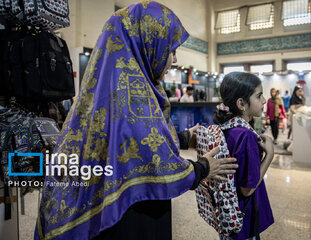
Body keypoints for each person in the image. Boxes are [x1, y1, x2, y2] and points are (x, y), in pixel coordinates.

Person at [34, 2, 237, 240]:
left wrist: (182, 138)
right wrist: (202, 169)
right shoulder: (131, 97)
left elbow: (137, 142)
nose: (173, 58)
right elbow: (153, 165)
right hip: (131, 215)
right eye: (170, 49)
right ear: (149, 44)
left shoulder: (110, 91)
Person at [213, 72, 275, 240]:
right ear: (241, 103)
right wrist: (269, 156)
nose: (264, 100)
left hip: (228, 215)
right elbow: (247, 189)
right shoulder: (245, 136)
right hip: (244, 219)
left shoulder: (227, 128)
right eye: (259, 96)